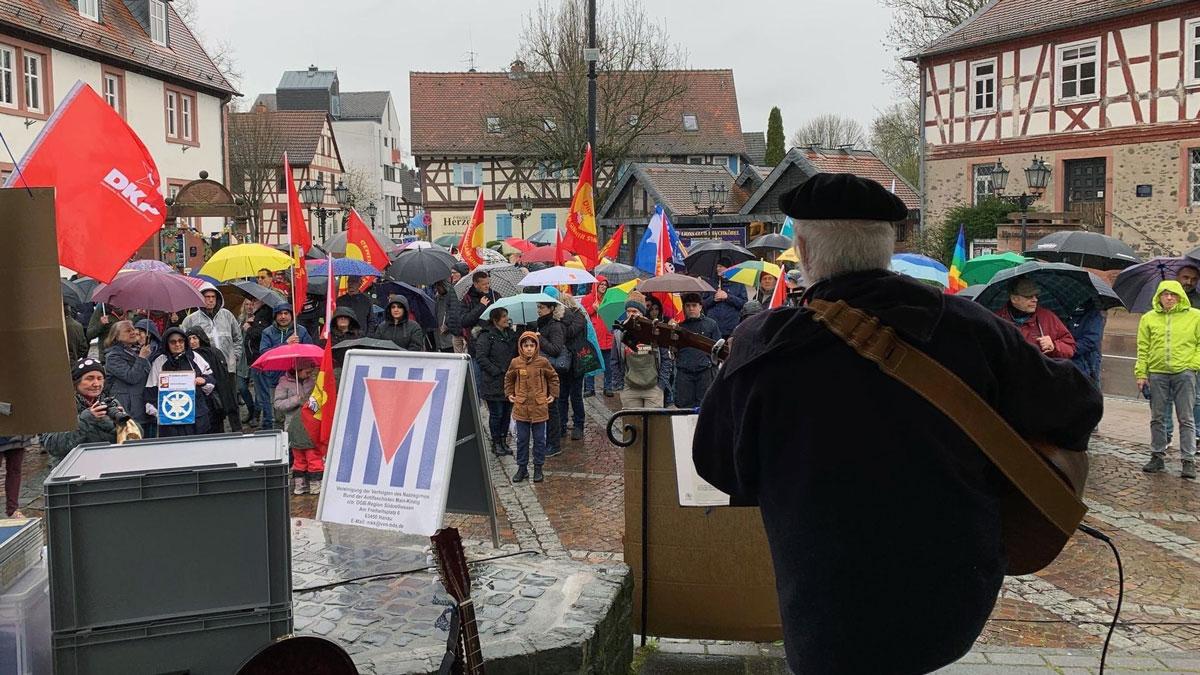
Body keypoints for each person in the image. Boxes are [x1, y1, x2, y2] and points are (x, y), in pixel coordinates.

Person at [692, 173, 1101, 674]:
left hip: (825, 600)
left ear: (802, 248)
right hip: (951, 591)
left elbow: (717, 464)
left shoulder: (762, 343)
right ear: (888, 246)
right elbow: (1078, 405)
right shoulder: (970, 327)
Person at [1136, 280, 1200, 479]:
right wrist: (1141, 373)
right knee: (1158, 417)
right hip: (1157, 372)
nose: (1169, 297)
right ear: (1159, 297)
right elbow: (1143, 347)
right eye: (1165, 294)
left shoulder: (1195, 316)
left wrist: (1193, 365)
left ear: (1180, 296)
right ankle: (1157, 456)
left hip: (1184, 372)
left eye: (1173, 294)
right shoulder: (1149, 318)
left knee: (1186, 418)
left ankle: (1188, 460)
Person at [180, 287, 243, 432]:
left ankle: (237, 430)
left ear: (217, 298)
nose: (210, 300)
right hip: (204, 369)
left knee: (231, 399)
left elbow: (238, 338)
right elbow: (182, 340)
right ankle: (215, 429)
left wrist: (235, 356)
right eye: (206, 297)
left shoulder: (226, 315)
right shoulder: (191, 319)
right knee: (213, 401)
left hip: (228, 366)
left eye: (213, 297)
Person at [41, 358, 120, 466]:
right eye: (89, 378)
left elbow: (135, 436)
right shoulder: (62, 406)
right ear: (76, 382)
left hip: (107, 465)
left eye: (100, 378)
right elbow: (52, 445)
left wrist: (123, 422)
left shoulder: (111, 403)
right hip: (71, 469)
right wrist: (86, 419)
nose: (96, 384)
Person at [505, 331, 559, 483]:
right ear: (521, 346)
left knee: (539, 439)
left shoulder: (543, 362)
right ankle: (522, 468)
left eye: (532, 345)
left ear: (536, 346)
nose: (529, 349)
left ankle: (538, 468)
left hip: (539, 406)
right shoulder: (516, 363)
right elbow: (509, 378)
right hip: (521, 407)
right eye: (526, 345)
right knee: (522, 439)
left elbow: (553, 377)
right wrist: (509, 393)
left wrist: (552, 394)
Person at [146, 327, 216, 438]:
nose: (177, 344)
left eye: (181, 341)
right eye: (173, 342)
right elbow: (151, 391)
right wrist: (161, 413)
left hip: (197, 417)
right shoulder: (159, 361)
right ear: (166, 344)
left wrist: (204, 381)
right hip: (170, 421)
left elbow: (211, 379)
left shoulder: (194, 357)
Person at [258, 305, 313, 430]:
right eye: (280, 314)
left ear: (291, 315)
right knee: (278, 415)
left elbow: (310, 352)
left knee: (299, 411)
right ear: (275, 316)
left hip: (298, 379)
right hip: (275, 378)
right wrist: (285, 345)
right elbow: (265, 353)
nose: (283, 317)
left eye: (286, 313)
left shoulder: (301, 331)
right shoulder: (267, 332)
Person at [994, 278, 1076, 359]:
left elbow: (1070, 348)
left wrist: (1054, 346)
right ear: (1014, 299)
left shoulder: (1047, 317)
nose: (1035, 300)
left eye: (1036, 296)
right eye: (1029, 296)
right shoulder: (997, 320)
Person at [475, 307, 519, 456]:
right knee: (497, 414)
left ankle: (503, 441)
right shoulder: (486, 336)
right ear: (495, 320)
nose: (507, 319)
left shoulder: (510, 334)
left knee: (507, 413)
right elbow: (481, 357)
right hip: (493, 382)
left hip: (509, 381)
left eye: (507, 316)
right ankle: (496, 443)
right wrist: (496, 371)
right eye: (504, 317)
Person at [612, 294, 666, 409]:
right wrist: (619, 385)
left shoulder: (655, 330)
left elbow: (666, 358)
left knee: (653, 425)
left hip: (653, 387)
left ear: (642, 312)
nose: (631, 314)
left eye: (635, 311)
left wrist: (661, 384)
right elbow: (615, 360)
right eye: (628, 311)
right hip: (630, 387)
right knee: (633, 425)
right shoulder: (619, 332)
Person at [273, 364, 320, 495]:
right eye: (307, 372)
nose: (309, 375)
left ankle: (314, 484)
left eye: (311, 372)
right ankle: (300, 484)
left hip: (310, 425)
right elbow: (277, 404)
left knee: (312, 455)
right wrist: (295, 400)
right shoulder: (283, 384)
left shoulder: (311, 382)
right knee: (298, 457)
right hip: (293, 426)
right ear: (297, 370)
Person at [104, 320, 155, 438]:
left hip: (142, 404)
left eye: (133, 329)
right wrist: (142, 358)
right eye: (127, 330)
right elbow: (131, 377)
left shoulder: (136, 350)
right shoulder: (113, 357)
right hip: (129, 408)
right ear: (116, 336)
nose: (133, 332)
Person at [552, 289, 588, 441]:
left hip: (577, 362)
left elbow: (571, 332)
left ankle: (578, 424)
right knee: (562, 396)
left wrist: (563, 318)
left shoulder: (579, 316)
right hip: (562, 363)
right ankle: (562, 425)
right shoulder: (557, 320)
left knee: (576, 396)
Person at [674, 293, 722, 408]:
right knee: (684, 409)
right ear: (684, 307)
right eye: (688, 305)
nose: (691, 308)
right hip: (684, 372)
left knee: (706, 407)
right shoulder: (679, 327)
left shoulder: (711, 324)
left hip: (705, 372)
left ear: (700, 307)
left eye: (694, 305)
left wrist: (711, 365)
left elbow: (719, 350)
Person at [534, 301, 567, 457]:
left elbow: (556, 349)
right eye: (538, 307)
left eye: (542, 307)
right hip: (541, 372)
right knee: (545, 407)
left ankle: (554, 444)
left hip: (552, 372)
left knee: (552, 408)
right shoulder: (540, 324)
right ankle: (547, 441)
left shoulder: (555, 326)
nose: (539, 310)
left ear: (551, 308)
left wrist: (540, 339)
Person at [186, 328, 234, 434]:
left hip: (214, 398)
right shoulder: (187, 356)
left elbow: (222, 376)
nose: (192, 342)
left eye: (195, 338)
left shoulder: (213, 353)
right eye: (189, 339)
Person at [583, 276, 621, 397]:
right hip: (593, 336)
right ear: (596, 285)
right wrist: (592, 309)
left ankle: (608, 387)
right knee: (590, 363)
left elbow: (614, 316)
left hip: (608, 337)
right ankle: (589, 388)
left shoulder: (609, 299)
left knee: (609, 365)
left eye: (605, 284)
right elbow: (583, 315)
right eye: (601, 284)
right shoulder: (587, 299)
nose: (603, 286)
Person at [243, 298, 275, 428]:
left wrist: (249, 328)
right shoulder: (257, 314)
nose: (252, 304)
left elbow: (260, 333)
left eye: (254, 301)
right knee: (261, 391)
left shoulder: (264, 313)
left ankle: (268, 421)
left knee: (263, 392)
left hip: (260, 358)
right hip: (255, 358)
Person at [703, 257, 747, 339]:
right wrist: (713, 299)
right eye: (718, 266)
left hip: (731, 328)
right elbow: (703, 304)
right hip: (713, 328)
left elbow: (744, 304)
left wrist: (728, 297)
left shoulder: (738, 284)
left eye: (722, 266)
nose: (718, 268)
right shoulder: (711, 283)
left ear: (729, 268)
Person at [644, 295, 675, 406]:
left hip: (666, 356)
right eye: (651, 309)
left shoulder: (666, 320)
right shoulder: (645, 323)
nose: (654, 312)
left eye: (656, 309)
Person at [1067, 300, 1105, 390]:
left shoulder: (1093, 314)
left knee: (1090, 391)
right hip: (1066, 358)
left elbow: (1092, 340)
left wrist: (1069, 349)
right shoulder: (1063, 312)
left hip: (1088, 360)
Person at [0, 436, 30, 517]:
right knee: (15, 471)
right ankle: (13, 509)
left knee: (15, 470)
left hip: (17, 436)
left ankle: (13, 510)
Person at [431, 280, 456, 353]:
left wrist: (447, 325)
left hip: (450, 339)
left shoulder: (451, 298)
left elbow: (454, 314)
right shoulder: (437, 299)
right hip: (440, 338)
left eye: (439, 285)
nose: (437, 288)